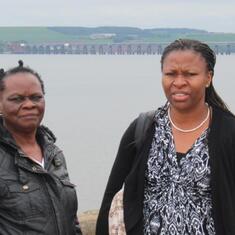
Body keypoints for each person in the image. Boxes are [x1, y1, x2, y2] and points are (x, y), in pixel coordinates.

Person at [96, 39, 235, 235]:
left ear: (208, 77)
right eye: (170, 74)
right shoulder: (143, 128)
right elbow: (111, 196)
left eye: (190, 74)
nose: (178, 82)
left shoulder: (228, 133)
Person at [0, 61, 82, 234]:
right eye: (17, 99)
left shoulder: (55, 155)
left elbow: (71, 220)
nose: (29, 105)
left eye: (36, 97)